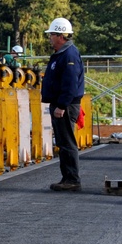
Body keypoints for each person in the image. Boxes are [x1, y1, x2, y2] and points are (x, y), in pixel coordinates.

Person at [41, 18, 85, 191]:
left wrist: (61, 105)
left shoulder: (69, 55)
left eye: (52, 34)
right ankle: (67, 177)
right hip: (61, 104)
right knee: (63, 142)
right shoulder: (62, 54)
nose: (50, 38)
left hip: (65, 106)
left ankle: (72, 179)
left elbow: (70, 83)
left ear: (60, 35)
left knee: (67, 142)